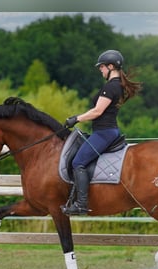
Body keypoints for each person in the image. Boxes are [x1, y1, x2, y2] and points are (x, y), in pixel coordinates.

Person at [61, 49, 143, 215]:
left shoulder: (111, 87)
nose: (100, 70)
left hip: (103, 133)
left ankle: (81, 204)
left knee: (78, 162)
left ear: (111, 67)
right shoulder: (117, 86)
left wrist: (76, 119)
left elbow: (97, 111)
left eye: (102, 67)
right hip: (107, 131)